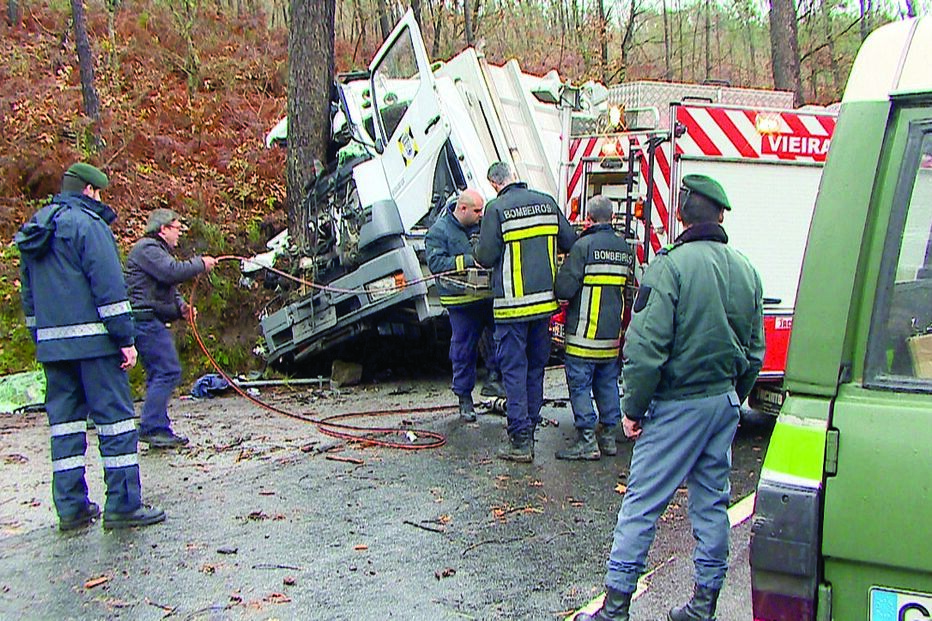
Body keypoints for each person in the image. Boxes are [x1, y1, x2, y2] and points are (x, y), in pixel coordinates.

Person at [576, 175, 764, 621]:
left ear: (681, 216)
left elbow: (644, 350)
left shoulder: (670, 267)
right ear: (720, 216)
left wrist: (632, 410)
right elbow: (755, 351)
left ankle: (616, 609)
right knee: (711, 505)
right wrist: (733, 399)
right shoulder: (746, 269)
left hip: (677, 403)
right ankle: (703, 606)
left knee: (642, 503)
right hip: (721, 403)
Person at [16, 163, 165, 531]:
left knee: (64, 427)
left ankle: (71, 508)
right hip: (97, 347)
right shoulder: (89, 226)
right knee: (115, 424)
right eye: (99, 193)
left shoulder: (36, 227)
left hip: (54, 350)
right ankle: (124, 505)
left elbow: (29, 297)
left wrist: (42, 340)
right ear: (89, 192)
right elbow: (110, 289)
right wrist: (124, 339)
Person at [475, 162, 576, 462]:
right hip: (544, 306)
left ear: (495, 184)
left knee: (514, 373)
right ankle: (529, 428)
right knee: (535, 369)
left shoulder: (496, 208)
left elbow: (485, 256)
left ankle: (520, 441)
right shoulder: (546, 203)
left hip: (512, 308)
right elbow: (570, 242)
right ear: (514, 176)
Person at [125, 209, 217, 448]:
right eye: (177, 228)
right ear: (163, 229)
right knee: (168, 371)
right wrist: (200, 264)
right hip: (144, 320)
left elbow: (165, 288)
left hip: (147, 319)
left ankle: (157, 426)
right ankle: (152, 427)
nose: (180, 234)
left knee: (159, 372)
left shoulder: (154, 252)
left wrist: (181, 309)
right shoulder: (148, 249)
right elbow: (170, 273)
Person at [553, 195, 633, 461]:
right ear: (612, 217)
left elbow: (564, 288)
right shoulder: (624, 248)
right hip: (611, 338)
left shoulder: (583, 246)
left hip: (583, 336)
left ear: (588, 218)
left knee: (580, 386)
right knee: (608, 383)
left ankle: (587, 440)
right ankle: (608, 438)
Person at [425, 189, 503, 422]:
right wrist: (469, 260)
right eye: (477, 211)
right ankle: (464, 398)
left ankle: (494, 382)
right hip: (461, 302)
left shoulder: (482, 225)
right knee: (463, 351)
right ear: (463, 209)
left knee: (501, 340)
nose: (481, 215)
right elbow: (436, 263)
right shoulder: (439, 232)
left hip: (487, 297)